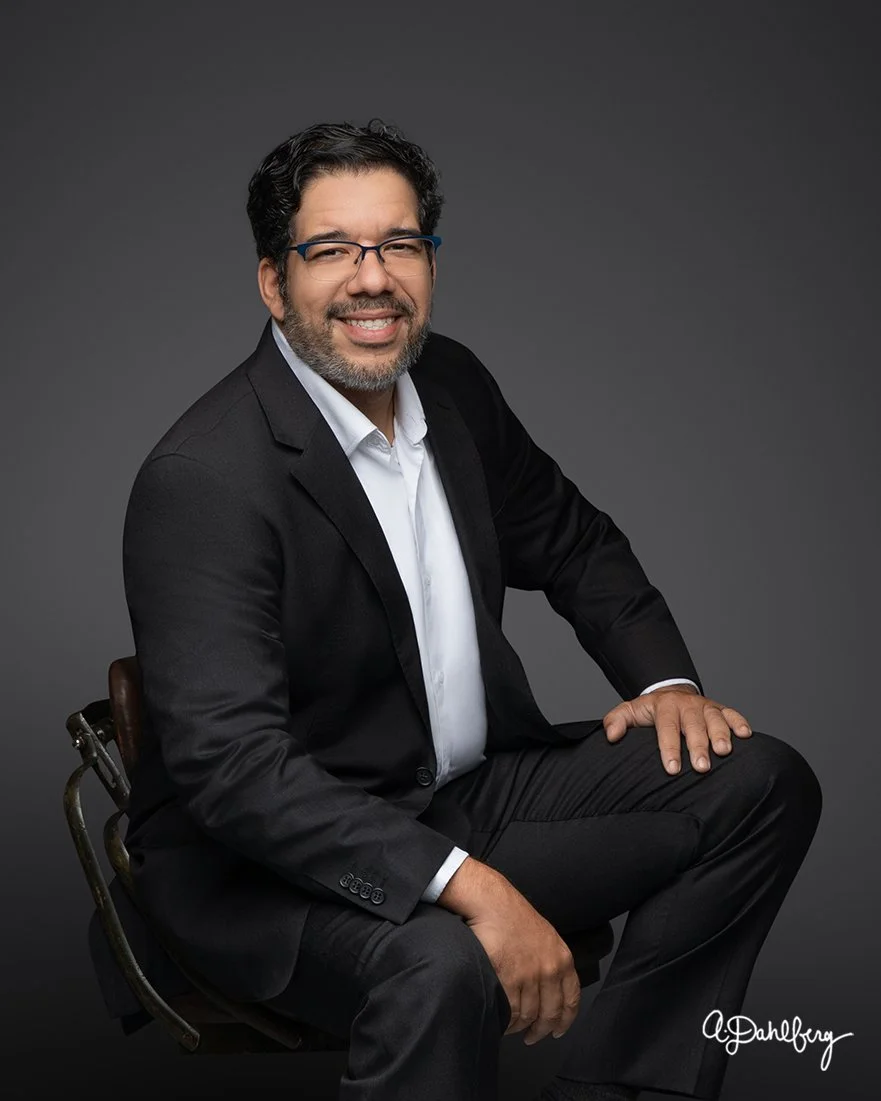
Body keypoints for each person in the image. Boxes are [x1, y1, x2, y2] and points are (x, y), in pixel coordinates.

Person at [117, 119, 822, 1100]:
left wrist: (663, 685)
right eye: (331, 250)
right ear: (274, 282)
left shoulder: (449, 385)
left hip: (458, 794)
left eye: (398, 243)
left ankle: (625, 1086)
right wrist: (466, 887)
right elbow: (234, 776)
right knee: (439, 965)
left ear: (428, 262)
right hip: (263, 868)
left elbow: (573, 540)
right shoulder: (204, 478)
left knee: (757, 782)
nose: (372, 278)